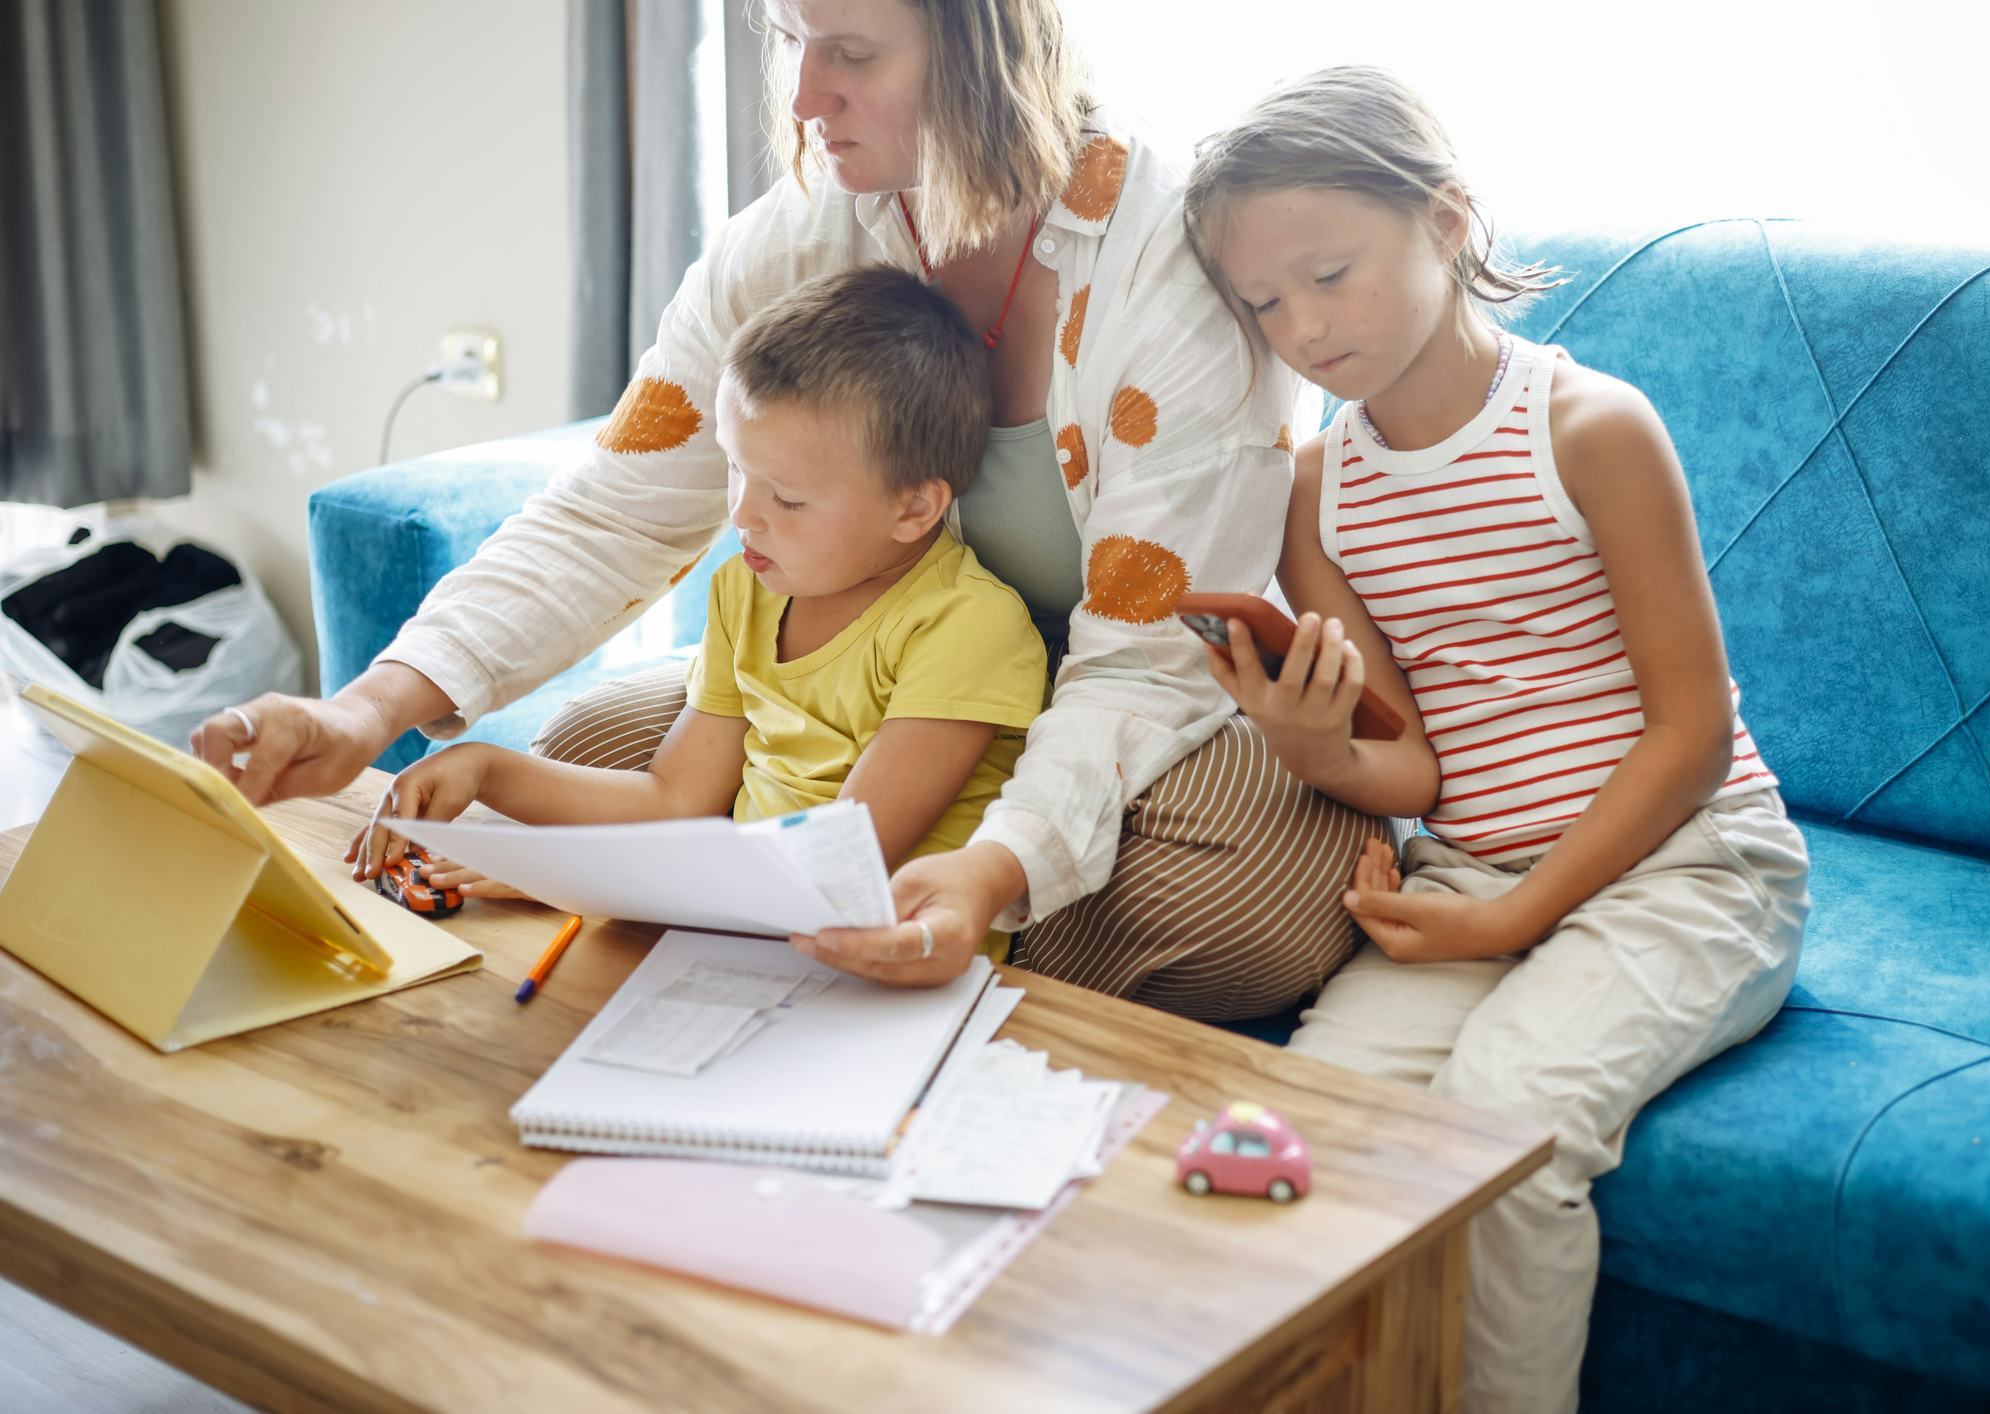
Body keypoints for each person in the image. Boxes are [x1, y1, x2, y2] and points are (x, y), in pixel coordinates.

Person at [194, 0, 1383, 1019]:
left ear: (985, 52)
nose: (807, 98)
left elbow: (1139, 675)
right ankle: (838, 907)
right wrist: (365, 711)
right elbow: (621, 500)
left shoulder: (1166, 287)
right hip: (883, 697)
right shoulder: (808, 230)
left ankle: (891, 909)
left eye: (852, 54)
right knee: (581, 750)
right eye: (787, 41)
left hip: (1137, 715)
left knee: (1239, 908)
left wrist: (995, 862)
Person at [1181, 67, 1811, 1414]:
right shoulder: (1317, 491)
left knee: (1505, 1132)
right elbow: (1411, 764)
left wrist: (1520, 905)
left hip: (1691, 869)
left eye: (1330, 274)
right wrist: (1319, 751)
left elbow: (1694, 732)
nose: (1300, 326)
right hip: (1471, 872)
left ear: (1450, 221)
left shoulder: (1589, 429)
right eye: (1262, 304)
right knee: (1305, 1125)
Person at [348, 265, 1046, 963]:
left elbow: (837, 861)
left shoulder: (966, 625)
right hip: (741, 939)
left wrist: (582, 878)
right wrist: (484, 769)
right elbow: (675, 798)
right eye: (736, 471)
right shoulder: (747, 591)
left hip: (882, 965)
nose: (741, 515)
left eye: (788, 499)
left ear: (915, 507)